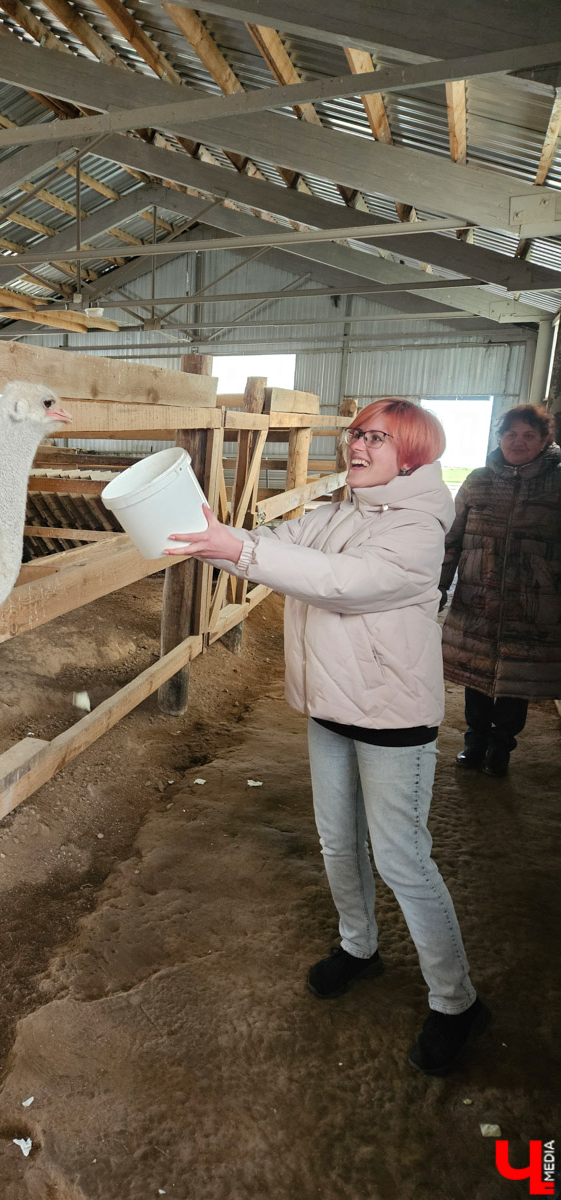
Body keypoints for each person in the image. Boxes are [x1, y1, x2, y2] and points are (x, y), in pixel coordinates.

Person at [166, 398, 488, 1076]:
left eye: (375, 437)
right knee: (338, 839)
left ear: (413, 454)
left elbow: (343, 584)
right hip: (331, 707)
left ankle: (457, 1003)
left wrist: (241, 549)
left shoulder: (419, 530)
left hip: (393, 718)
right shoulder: (344, 512)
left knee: (402, 858)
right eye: (356, 434)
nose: (358, 446)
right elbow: (284, 549)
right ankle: (359, 947)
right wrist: (215, 534)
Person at [440, 404, 561, 777]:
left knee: (516, 680)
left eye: (528, 436)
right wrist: (439, 586)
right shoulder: (478, 480)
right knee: (476, 675)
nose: (518, 442)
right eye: (510, 434)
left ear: (544, 440)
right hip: (479, 597)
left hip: (534, 603)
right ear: (499, 438)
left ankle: (501, 746)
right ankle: (474, 741)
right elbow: (451, 539)